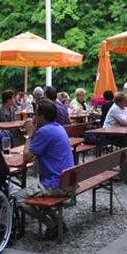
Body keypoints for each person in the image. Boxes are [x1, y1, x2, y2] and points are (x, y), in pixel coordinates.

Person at [19, 100, 75, 237]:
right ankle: (58, 222)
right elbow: (34, 156)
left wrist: (30, 135)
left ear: (42, 116)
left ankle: (52, 225)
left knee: (18, 197)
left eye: (35, 114)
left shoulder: (44, 132)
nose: (33, 117)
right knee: (34, 195)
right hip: (68, 182)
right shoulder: (58, 127)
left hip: (56, 184)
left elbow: (26, 158)